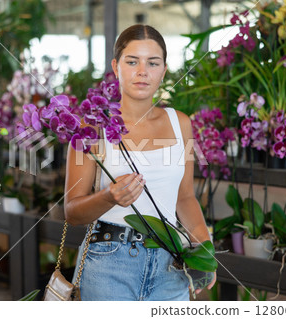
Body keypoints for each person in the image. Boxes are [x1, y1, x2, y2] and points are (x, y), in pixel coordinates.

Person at [64, 24, 216, 301]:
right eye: (132, 61)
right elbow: (72, 212)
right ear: (116, 66)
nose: (142, 71)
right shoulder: (91, 126)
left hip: (170, 262)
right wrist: (110, 196)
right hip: (109, 263)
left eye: (153, 62)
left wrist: (204, 247)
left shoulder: (180, 123)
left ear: (164, 70)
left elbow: (185, 198)